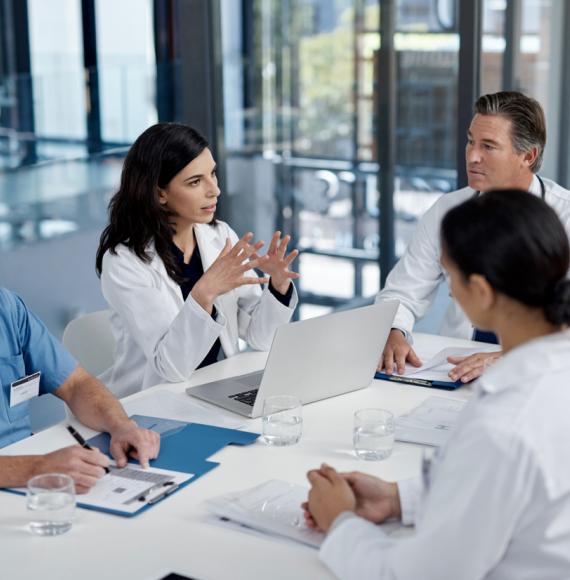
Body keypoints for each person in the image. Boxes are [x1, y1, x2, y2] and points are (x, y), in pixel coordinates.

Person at [304, 190, 570, 579]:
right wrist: (400, 499)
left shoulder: (505, 424)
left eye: (452, 275)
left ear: (481, 292)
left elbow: (419, 574)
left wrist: (340, 522)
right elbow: (514, 493)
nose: (448, 289)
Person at [377, 91, 570, 383]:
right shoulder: (447, 210)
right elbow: (403, 292)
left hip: (543, 373)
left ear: (527, 156)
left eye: (488, 146)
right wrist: (394, 331)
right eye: (470, 141)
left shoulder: (565, 216)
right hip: (455, 369)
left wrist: (507, 357)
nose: (472, 156)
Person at [96, 123, 299, 398]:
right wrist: (205, 292)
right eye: (195, 182)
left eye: (212, 174)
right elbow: (170, 367)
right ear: (159, 193)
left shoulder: (219, 235)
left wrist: (278, 285)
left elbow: (258, 337)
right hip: (155, 400)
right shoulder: (124, 261)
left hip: (220, 386)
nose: (214, 190)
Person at [0, 288, 160, 492]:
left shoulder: (6, 307)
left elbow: (76, 384)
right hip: (23, 474)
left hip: (28, 474)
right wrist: (37, 468)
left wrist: (120, 425)